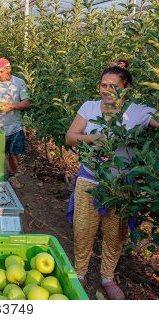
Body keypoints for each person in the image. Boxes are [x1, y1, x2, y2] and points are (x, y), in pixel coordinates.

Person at [65, 65, 158, 300]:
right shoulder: (89, 107)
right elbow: (70, 137)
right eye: (103, 85)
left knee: (115, 233)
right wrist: (92, 138)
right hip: (89, 178)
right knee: (84, 229)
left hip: (120, 187)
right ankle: (80, 271)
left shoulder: (138, 112)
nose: (106, 90)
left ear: (126, 89)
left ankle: (107, 276)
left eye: (113, 87)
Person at [0, 58, 30, 188]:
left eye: (1, 72)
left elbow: (26, 102)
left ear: (8, 69)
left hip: (15, 126)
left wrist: (12, 107)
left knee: (14, 154)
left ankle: (13, 176)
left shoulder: (19, 83)